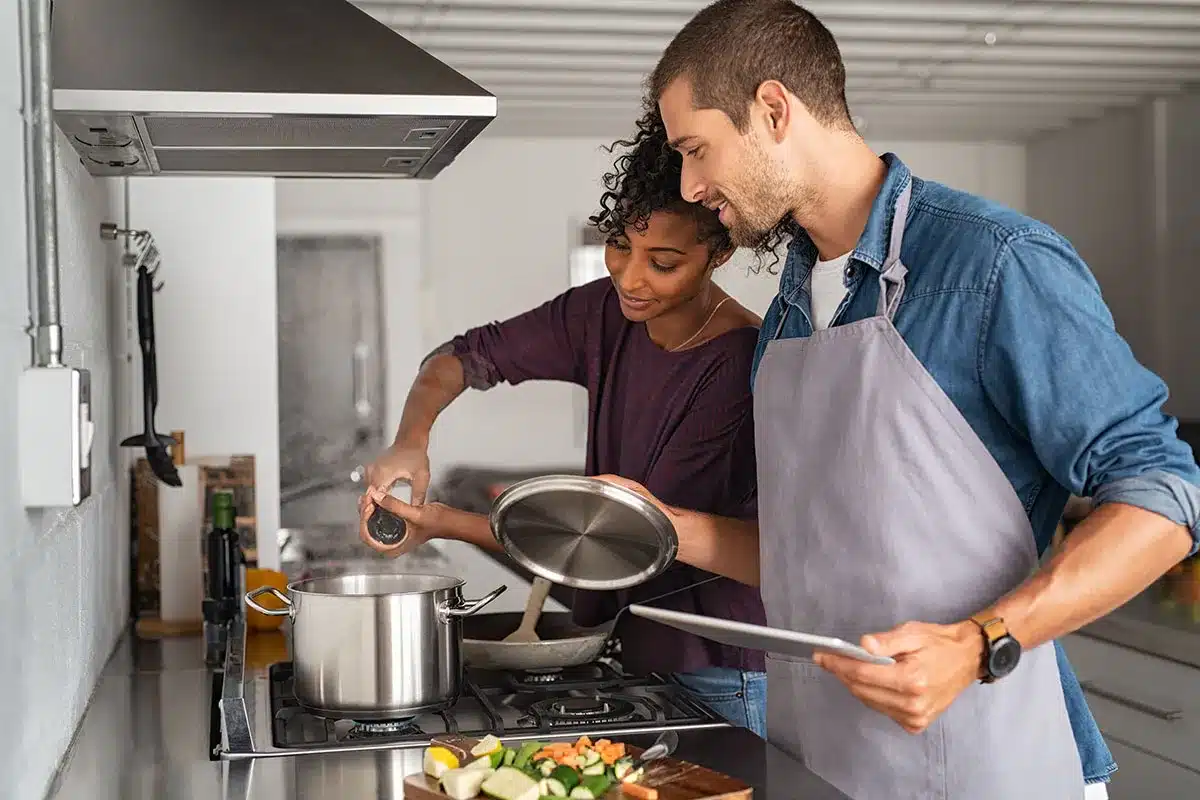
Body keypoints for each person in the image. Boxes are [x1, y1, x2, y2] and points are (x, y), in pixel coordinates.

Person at [585, 1, 1200, 798]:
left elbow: (1164, 496)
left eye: (697, 150)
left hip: (985, 764)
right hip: (827, 759)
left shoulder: (992, 263)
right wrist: (660, 528)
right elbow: (818, 558)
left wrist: (980, 644)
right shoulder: (790, 305)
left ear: (774, 110)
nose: (693, 187)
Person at [357, 119, 770, 735]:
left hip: (721, 670)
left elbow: (624, 545)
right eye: (619, 246)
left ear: (722, 252)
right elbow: (461, 358)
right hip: (639, 647)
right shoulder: (604, 310)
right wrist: (409, 441)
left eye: (663, 262)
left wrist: (445, 522)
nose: (630, 278)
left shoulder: (735, 364)